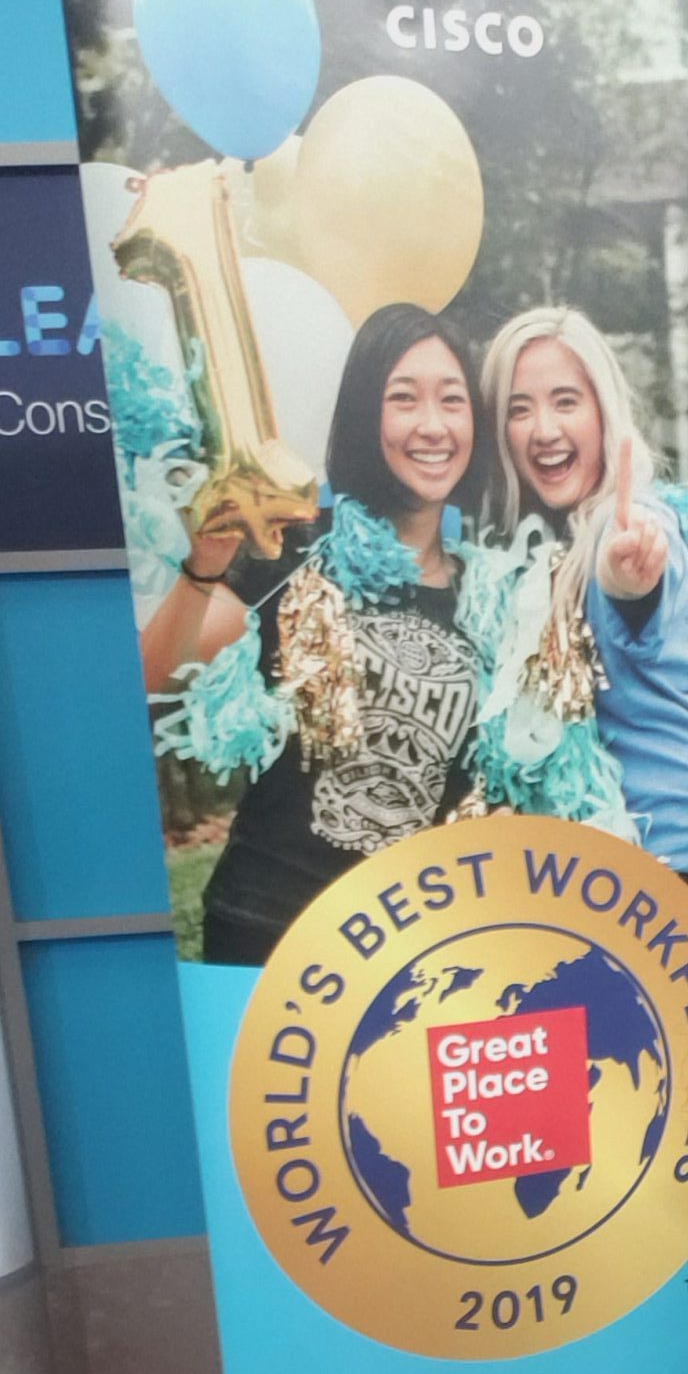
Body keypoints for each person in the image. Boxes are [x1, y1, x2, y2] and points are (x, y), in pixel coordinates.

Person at [140, 302, 486, 965]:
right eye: (403, 399)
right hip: (270, 929)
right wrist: (203, 567)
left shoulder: (487, 593)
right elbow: (153, 675)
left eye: (453, 400)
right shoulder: (296, 550)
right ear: (365, 413)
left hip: (409, 952)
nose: (433, 425)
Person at [471, 304, 688, 993]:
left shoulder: (641, 523)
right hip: (606, 891)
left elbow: (632, 600)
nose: (545, 429)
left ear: (604, 414)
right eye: (520, 409)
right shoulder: (519, 559)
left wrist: (625, 577)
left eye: (565, 401)